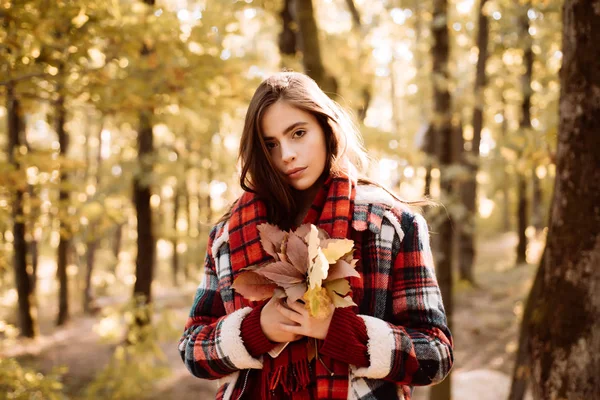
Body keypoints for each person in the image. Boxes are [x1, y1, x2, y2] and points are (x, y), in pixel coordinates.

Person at [179, 72, 453, 400]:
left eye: (298, 133)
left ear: (326, 127)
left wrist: (341, 331)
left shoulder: (390, 225)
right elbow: (192, 348)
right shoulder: (226, 237)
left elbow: (435, 355)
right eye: (271, 145)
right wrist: (254, 331)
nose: (287, 155)